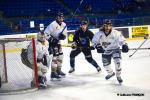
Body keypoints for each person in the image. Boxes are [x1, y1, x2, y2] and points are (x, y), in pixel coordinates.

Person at [92, 19, 129, 84]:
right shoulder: (99, 33)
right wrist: (97, 46)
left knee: (118, 63)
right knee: (106, 65)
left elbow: (122, 40)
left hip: (115, 50)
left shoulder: (116, 33)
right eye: (106, 26)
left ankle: (118, 76)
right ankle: (111, 73)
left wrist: (124, 45)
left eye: (109, 26)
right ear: (103, 26)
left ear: (111, 26)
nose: (107, 27)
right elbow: (94, 41)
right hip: (105, 51)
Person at [44, 12, 67, 80]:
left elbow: (64, 35)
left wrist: (63, 37)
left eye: (62, 17)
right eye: (59, 17)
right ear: (57, 17)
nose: (61, 18)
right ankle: (53, 73)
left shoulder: (64, 25)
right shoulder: (53, 24)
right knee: (55, 56)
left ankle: (58, 70)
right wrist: (52, 39)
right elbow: (45, 34)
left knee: (61, 56)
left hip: (58, 42)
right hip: (52, 43)